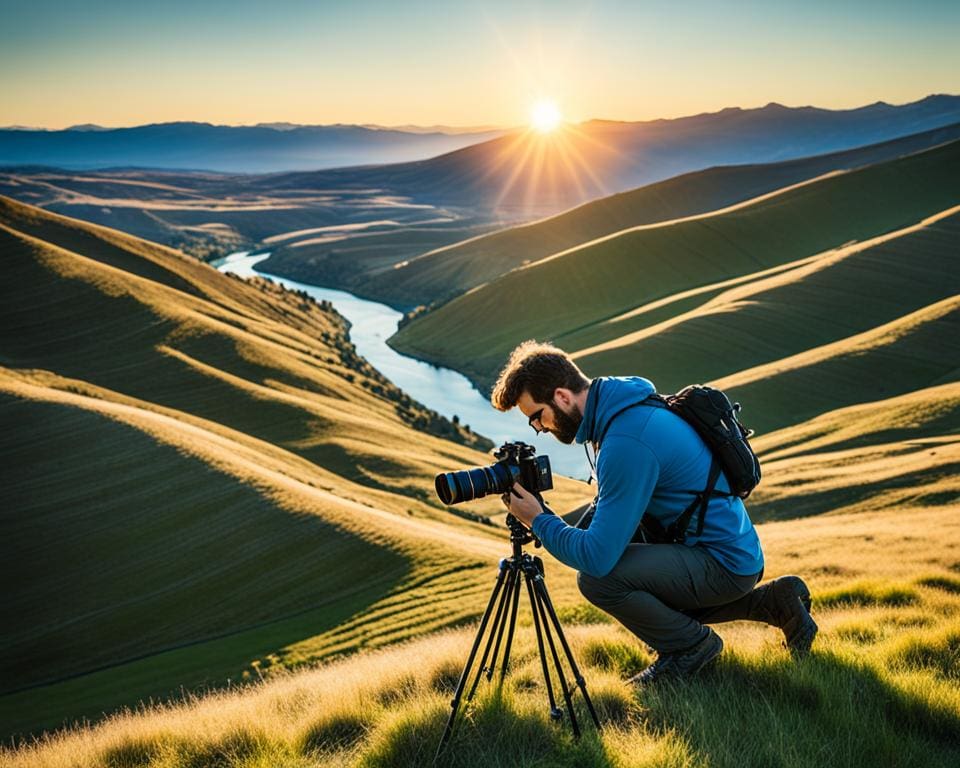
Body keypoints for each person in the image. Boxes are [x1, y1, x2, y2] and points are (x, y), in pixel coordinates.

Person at [492, 340, 817, 684]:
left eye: (537, 417)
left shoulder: (626, 441)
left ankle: (689, 648)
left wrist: (539, 520)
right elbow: (607, 512)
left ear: (561, 397)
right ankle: (776, 602)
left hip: (722, 564)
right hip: (733, 553)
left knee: (599, 580)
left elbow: (598, 558)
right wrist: (546, 520)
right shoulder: (626, 405)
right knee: (639, 580)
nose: (540, 429)